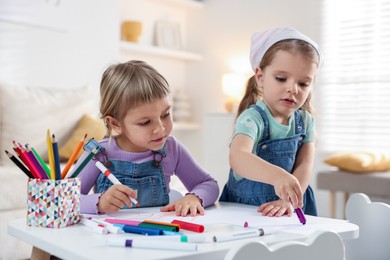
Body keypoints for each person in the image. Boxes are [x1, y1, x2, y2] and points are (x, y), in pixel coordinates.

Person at [76, 60, 219, 216]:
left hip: (159, 232)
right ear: (115, 123)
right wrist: (99, 202)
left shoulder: (171, 148)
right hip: (111, 235)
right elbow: (64, 198)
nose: (160, 128)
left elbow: (209, 184)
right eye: (145, 122)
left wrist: (194, 197)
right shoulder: (98, 154)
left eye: (165, 115)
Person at [219, 27, 322, 217]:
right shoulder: (253, 118)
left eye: (303, 83)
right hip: (249, 211)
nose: (293, 89)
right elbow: (238, 157)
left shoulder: (306, 121)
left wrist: (287, 199)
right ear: (260, 77)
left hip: (289, 208)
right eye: (281, 78)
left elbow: (304, 165)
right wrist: (278, 176)